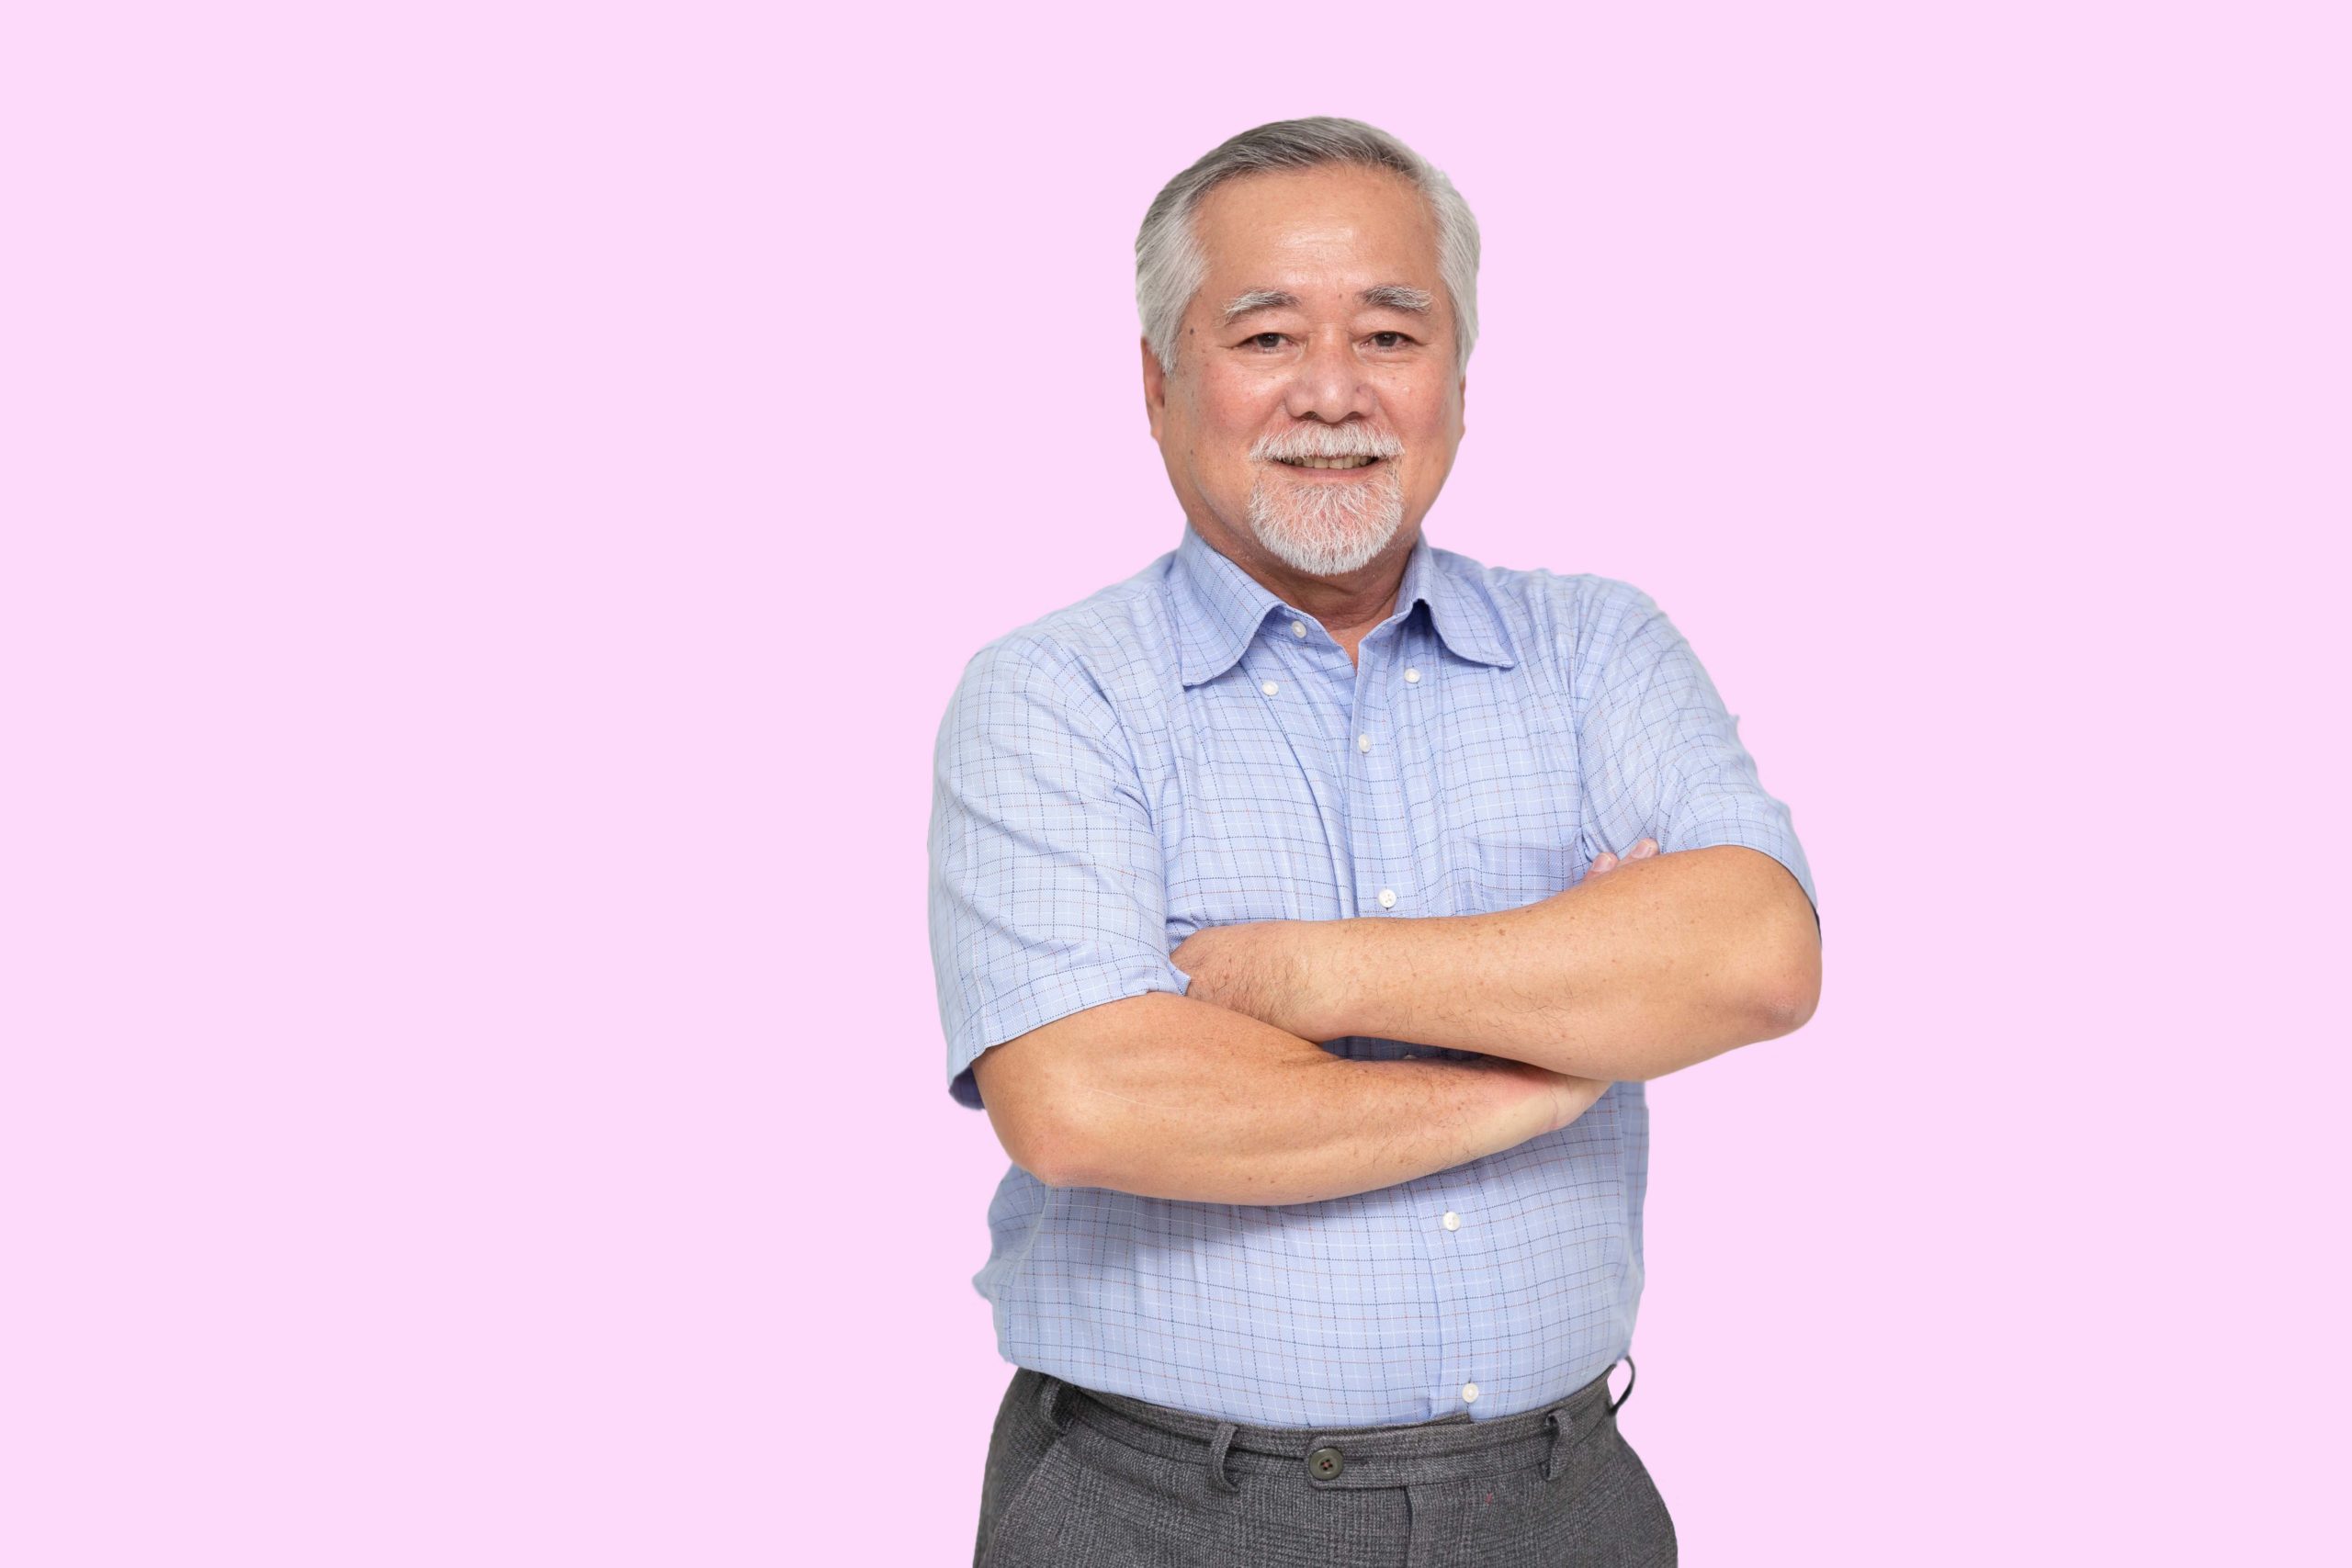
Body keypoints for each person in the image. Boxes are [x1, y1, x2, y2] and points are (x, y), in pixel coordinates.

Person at [927, 117, 1821, 1567]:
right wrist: (1556, 1063)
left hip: (1561, 1506)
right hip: (1161, 1511)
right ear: (1159, 385)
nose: (1332, 392)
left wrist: (1301, 978)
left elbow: (1758, 955)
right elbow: (1089, 1103)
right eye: (1267, 335)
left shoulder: (1598, 649)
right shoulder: (1056, 694)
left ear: (1459, 379)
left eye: (1392, 337)